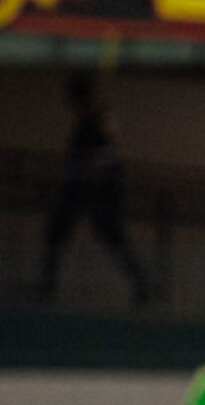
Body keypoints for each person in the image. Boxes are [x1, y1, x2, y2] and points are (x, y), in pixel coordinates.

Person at [40, 73, 148, 304]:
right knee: (77, 234)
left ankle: (141, 285)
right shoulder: (92, 120)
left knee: (102, 236)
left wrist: (91, 183)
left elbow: (100, 158)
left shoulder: (91, 122)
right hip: (92, 189)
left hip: (92, 190)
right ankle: (141, 284)